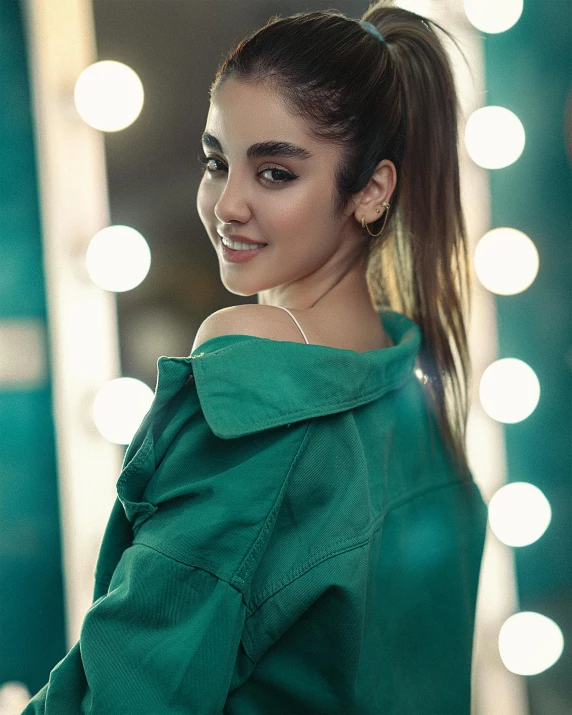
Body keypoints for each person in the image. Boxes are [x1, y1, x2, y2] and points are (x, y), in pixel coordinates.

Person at [23, 2, 487, 713]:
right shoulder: (417, 401)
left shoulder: (258, 383)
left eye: (274, 173)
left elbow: (124, 697)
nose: (226, 203)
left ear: (371, 191)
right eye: (217, 162)